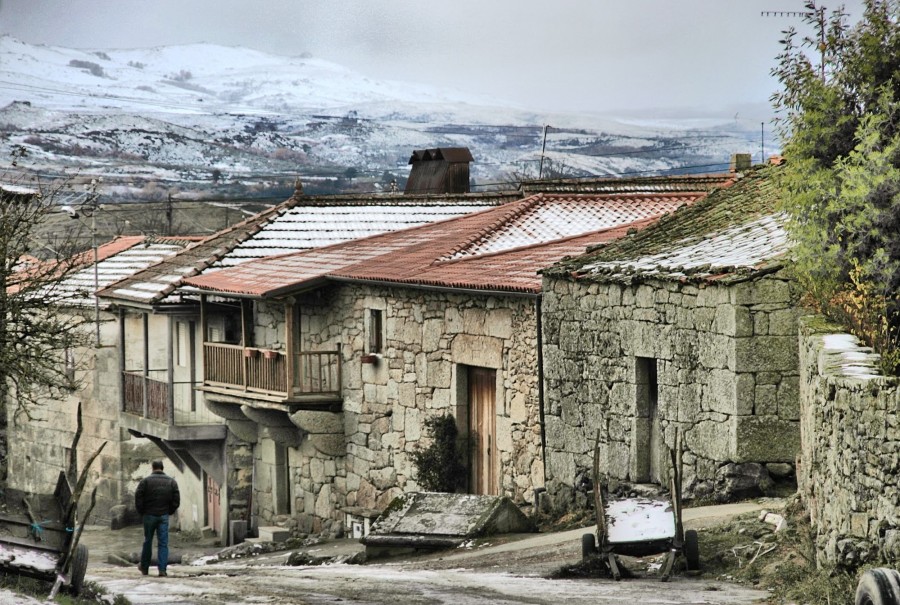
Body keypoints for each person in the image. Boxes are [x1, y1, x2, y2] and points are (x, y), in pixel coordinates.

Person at [135, 460, 180, 577]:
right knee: (163, 543)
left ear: (152, 468)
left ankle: (145, 567)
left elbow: (138, 497)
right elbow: (176, 500)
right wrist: (169, 511)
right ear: (162, 467)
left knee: (148, 541)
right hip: (163, 515)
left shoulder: (145, 482)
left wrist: (142, 512)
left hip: (149, 515)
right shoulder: (171, 482)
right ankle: (162, 570)